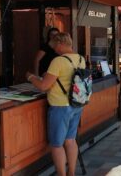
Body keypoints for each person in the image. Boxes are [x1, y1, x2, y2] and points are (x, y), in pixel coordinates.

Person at [26, 33, 85, 176]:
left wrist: (31, 77)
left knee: (57, 145)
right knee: (70, 140)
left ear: (60, 44)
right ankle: (71, 173)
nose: (54, 50)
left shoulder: (58, 61)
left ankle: (61, 174)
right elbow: (67, 78)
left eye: (54, 47)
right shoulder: (80, 58)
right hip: (76, 103)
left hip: (60, 106)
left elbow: (44, 86)